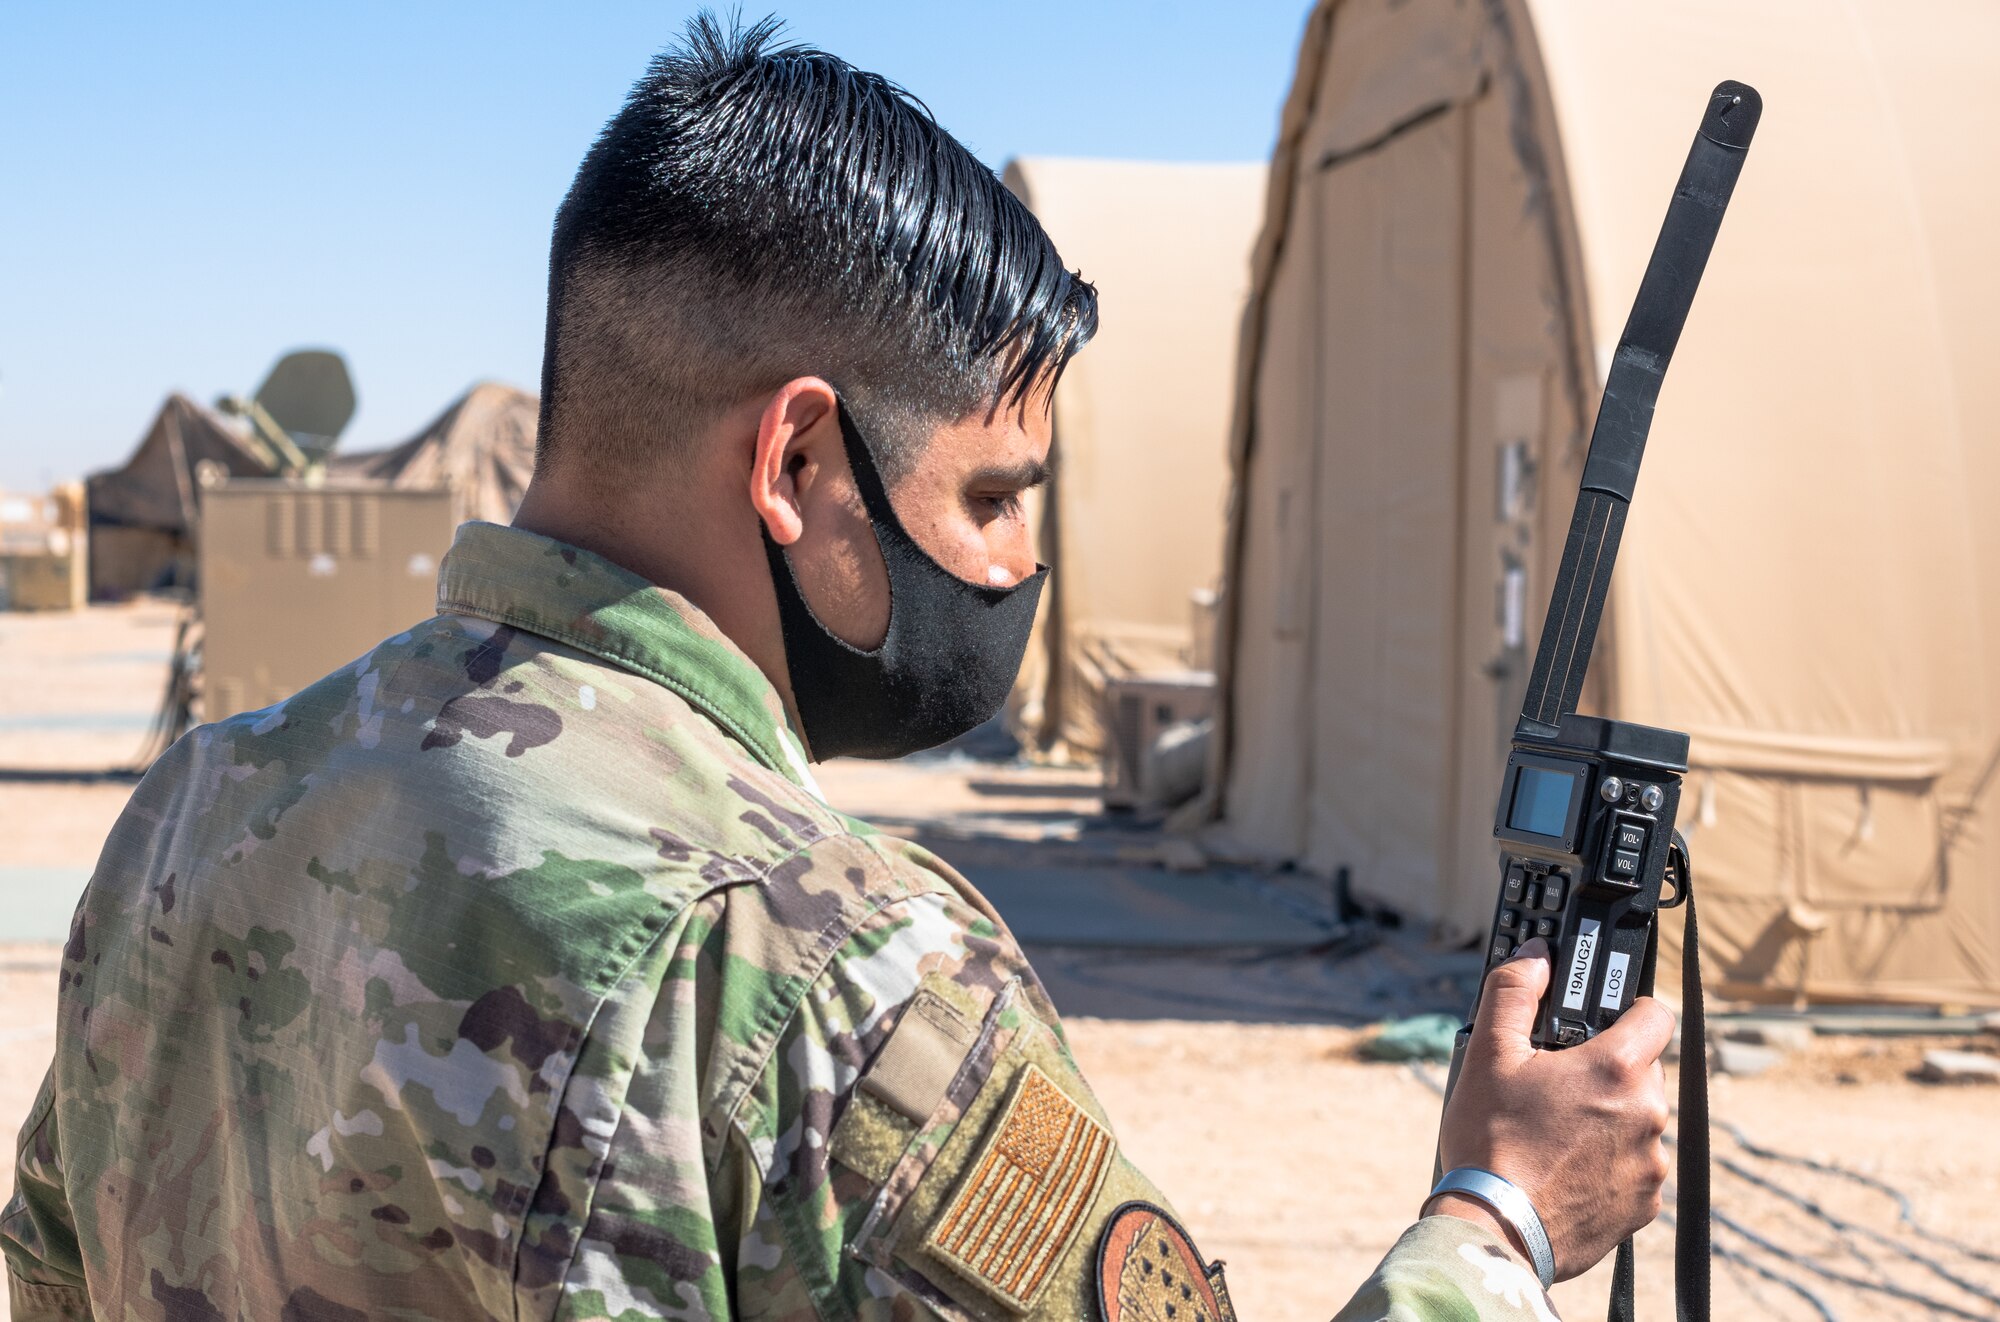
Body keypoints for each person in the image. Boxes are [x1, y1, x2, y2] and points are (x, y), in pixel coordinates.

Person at [1, 18, 1673, 1321]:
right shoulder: (829, 962)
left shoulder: (191, 813)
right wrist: (1502, 1214)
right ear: (801, 462)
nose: (1017, 569)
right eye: (991, 496)